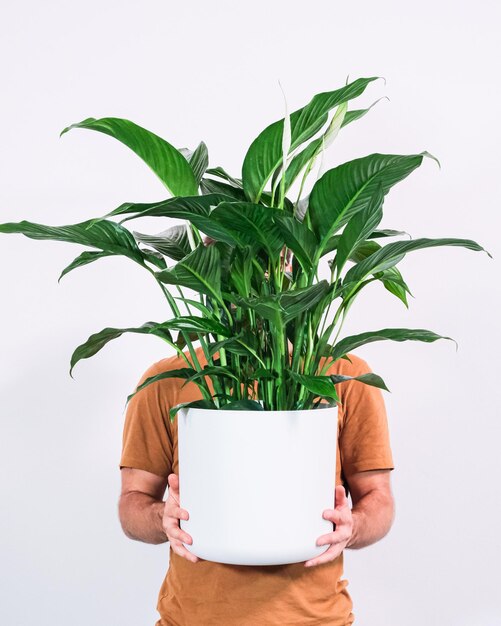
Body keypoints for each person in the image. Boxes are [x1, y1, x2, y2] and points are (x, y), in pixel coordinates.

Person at [118, 343, 395, 626]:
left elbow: (378, 498)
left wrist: (352, 526)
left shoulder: (345, 375)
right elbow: (132, 503)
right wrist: (162, 517)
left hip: (316, 619)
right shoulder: (169, 377)